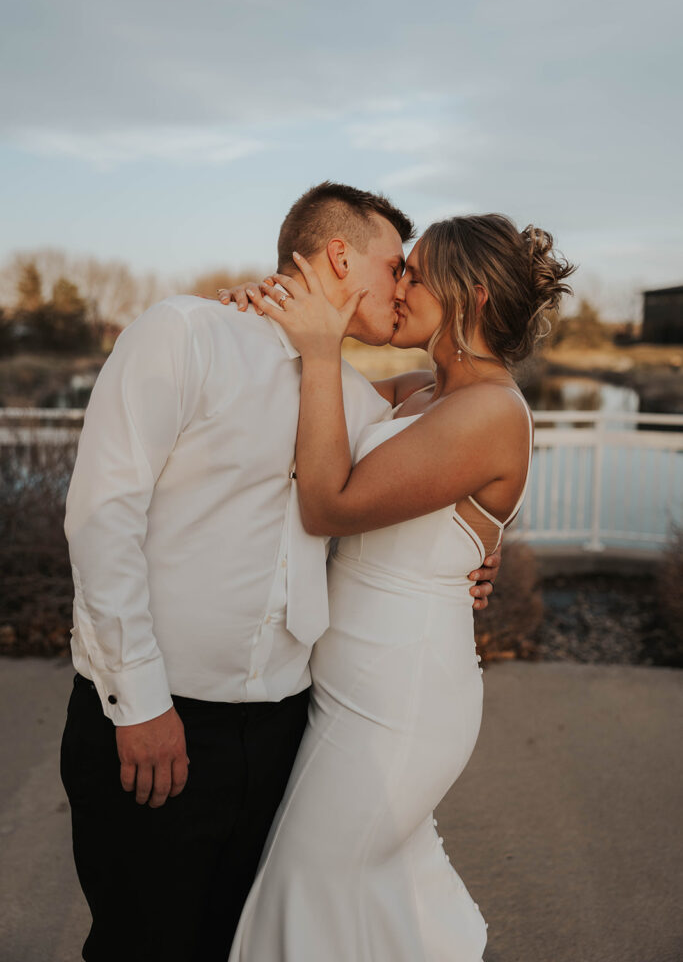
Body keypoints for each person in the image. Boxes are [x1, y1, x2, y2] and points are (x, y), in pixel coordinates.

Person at [59, 182, 500, 962]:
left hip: (288, 726)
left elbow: (448, 448)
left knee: (247, 940)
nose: (402, 287)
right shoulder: (185, 334)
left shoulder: (355, 399)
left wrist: (476, 548)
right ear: (339, 255)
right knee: (141, 942)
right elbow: (102, 521)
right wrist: (139, 706)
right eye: (395, 265)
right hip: (162, 718)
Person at [226, 214, 575, 961]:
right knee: (372, 900)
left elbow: (330, 505)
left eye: (415, 272)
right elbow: (287, 398)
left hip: (401, 702)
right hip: (347, 688)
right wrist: (269, 316)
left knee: (305, 889)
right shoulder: (423, 387)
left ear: (470, 297)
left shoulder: (490, 409)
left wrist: (324, 353)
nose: (399, 283)